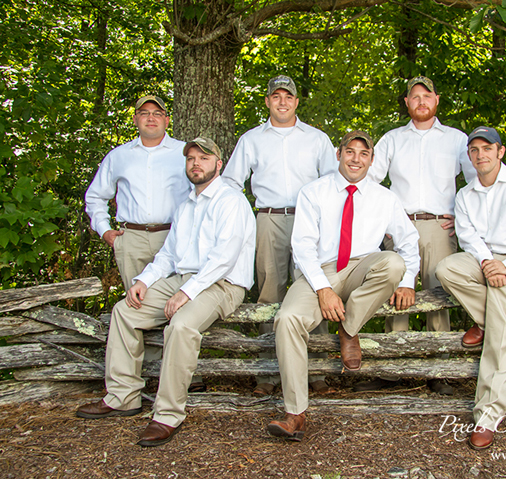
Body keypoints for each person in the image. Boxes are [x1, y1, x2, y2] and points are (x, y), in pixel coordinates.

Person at [77, 137, 256, 447]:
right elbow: (169, 255)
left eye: (204, 157)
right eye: (191, 159)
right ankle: (123, 395)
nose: (196, 163)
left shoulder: (231, 201)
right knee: (125, 311)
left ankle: (167, 414)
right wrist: (144, 281)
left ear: (219, 164)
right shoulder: (186, 204)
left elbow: (223, 259)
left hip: (223, 284)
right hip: (184, 278)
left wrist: (185, 293)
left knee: (182, 325)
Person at [267, 131, 420, 441]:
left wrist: (406, 282)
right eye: (350, 152)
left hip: (363, 268)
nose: (356, 159)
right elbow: (303, 247)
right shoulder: (314, 192)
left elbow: (408, 240)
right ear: (339, 155)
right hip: (320, 271)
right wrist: (323, 289)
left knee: (393, 262)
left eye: (364, 154)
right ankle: (295, 413)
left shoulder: (384, 197)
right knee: (287, 319)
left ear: (372, 161)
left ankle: (349, 328)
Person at [222, 75, 337, 396]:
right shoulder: (252, 139)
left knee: (315, 290)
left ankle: (317, 371)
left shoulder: (316, 139)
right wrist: (245, 218)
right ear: (268, 101)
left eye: (288, 96)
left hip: (309, 221)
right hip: (269, 219)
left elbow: (333, 184)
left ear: (297, 101)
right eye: (276, 96)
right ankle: (268, 373)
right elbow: (231, 182)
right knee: (269, 294)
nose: (282, 102)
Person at [435, 126, 506, 450]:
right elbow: (469, 238)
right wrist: (488, 264)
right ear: (469, 156)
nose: (481, 155)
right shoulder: (465, 194)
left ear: (500, 152)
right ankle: (494, 321)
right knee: (447, 268)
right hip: (485, 260)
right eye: (474, 150)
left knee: (502, 343)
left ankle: (486, 416)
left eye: (487, 148)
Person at [359, 76, 475, 395]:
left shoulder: (455, 139)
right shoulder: (392, 140)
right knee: (397, 294)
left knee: (438, 295)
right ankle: (393, 369)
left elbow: (478, 181)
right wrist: (377, 218)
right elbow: (369, 180)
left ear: (436, 100)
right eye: (414, 97)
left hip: (440, 227)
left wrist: (464, 218)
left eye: (427, 95)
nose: (421, 101)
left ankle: (439, 371)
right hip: (400, 226)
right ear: (407, 103)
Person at [85, 95, 190, 290]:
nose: (151, 118)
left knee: (176, 299)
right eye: (144, 113)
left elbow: (201, 195)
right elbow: (95, 196)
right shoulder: (119, 156)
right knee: (136, 302)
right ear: (135, 119)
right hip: (131, 239)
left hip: (174, 236)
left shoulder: (184, 152)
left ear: (166, 120)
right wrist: (104, 229)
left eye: (157, 113)